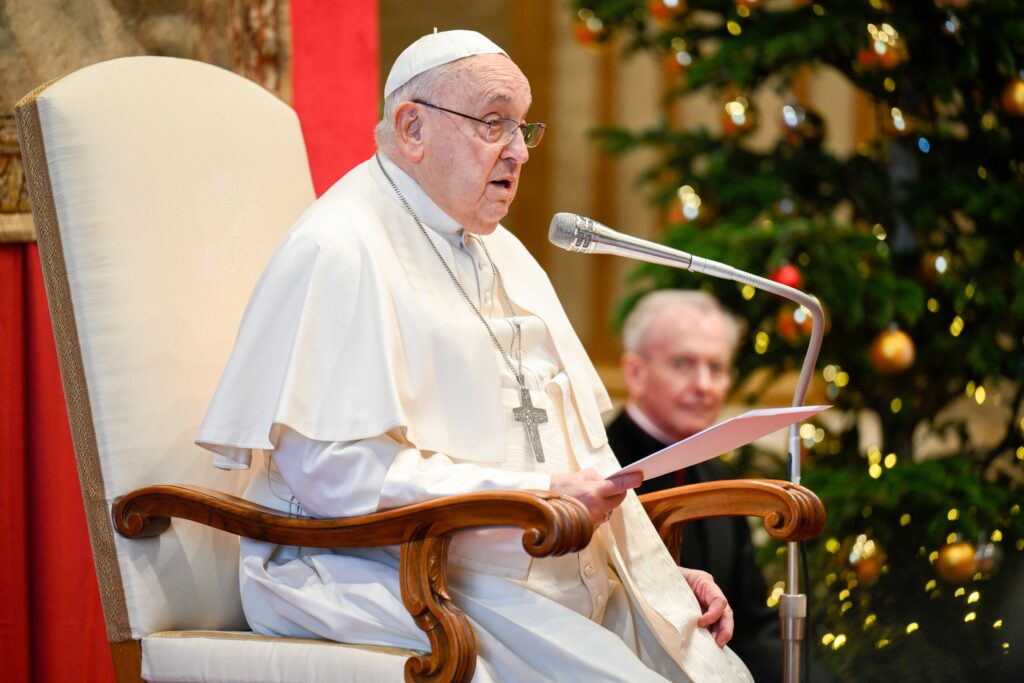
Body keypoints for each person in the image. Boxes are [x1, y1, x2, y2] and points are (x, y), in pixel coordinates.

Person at [196, 30, 752, 682]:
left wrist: (652, 576)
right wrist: (530, 495)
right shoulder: (340, 247)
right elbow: (333, 473)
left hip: (514, 553)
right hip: (365, 570)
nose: (518, 151)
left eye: (523, 127)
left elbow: (573, 455)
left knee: (711, 667)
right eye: (493, 124)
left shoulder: (501, 253)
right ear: (412, 128)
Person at [606, 290, 787, 682]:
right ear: (635, 373)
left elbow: (754, 626)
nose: (704, 385)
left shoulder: (722, 479)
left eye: (717, 368)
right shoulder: (598, 470)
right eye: (683, 364)